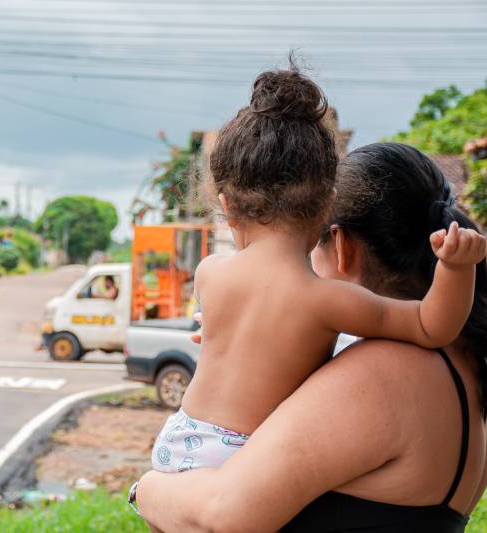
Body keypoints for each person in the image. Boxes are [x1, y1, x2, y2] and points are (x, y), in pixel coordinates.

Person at [146, 61, 485, 477]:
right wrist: (456, 267)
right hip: (239, 454)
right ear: (328, 206)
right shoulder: (327, 301)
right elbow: (433, 325)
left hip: (180, 438)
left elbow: (248, 338)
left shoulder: (211, 273)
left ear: (228, 206)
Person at [135, 143, 487, 532]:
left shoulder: (383, 371)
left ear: (341, 245)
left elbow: (221, 518)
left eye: (309, 247)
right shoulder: (458, 362)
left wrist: (146, 489)